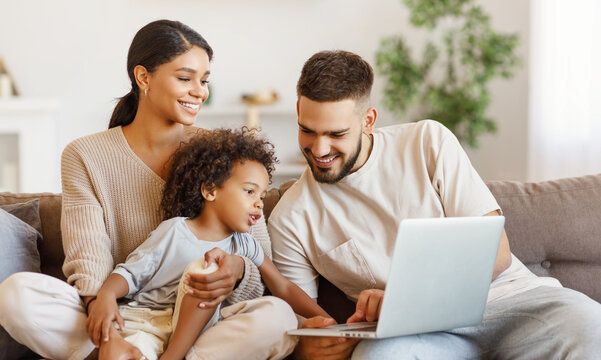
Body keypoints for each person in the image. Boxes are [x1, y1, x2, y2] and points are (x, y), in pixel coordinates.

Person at [268, 50, 601, 359]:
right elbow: (302, 322)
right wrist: (304, 348)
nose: (319, 148)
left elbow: (496, 253)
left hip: (509, 300)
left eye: (336, 134)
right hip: (415, 335)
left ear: (368, 120)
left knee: (588, 322)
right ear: (298, 112)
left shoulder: (426, 141)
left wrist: (404, 300)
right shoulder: (289, 218)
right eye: (307, 131)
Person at [0, 20, 297, 360]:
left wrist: (237, 270)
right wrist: (104, 314)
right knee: (15, 294)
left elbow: (259, 257)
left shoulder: (222, 152)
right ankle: (123, 351)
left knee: (278, 317)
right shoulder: (85, 154)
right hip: (125, 317)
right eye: (185, 78)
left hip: (204, 323)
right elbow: (90, 260)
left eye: (204, 80)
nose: (199, 91)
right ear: (143, 78)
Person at [87, 128, 329, 360]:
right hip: (146, 324)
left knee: (282, 315)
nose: (259, 203)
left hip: (203, 335)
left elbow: (283, 287)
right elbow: (130, 275)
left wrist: (331, 323)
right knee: (207, 268)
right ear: (210, 190)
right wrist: (106, 295)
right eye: (249, 191)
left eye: (262, 195)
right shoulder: (175, 231)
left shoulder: (246, 244)